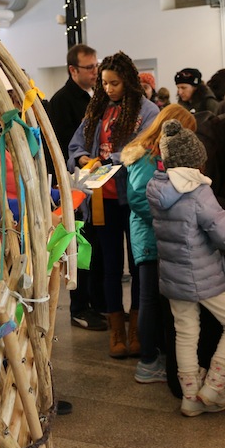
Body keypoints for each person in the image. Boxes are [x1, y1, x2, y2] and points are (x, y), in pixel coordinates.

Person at [146, 120, 225, 416]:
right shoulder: (199, 191)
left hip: (172, 275)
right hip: (203, 275)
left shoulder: (156, 189)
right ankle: (213, 388)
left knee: (185, 333)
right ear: (196, 161)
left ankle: (190, 399)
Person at [68, 51, 159, 358]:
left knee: (138, 263)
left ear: (128, 82)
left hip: (134, 199)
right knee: (109, 266)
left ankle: (137, 329)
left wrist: (112, 160)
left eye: (115, 83)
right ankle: (116, 331)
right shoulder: (97, 109)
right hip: (102, 199)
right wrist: (83, 157)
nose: (108, 89)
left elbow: (145, 146)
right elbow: (76, 144)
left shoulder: (147, 111)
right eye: (104, 83)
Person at [121, 104, 197, 386]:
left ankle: (159, 355)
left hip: (159, 235)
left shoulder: (158, 154)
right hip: (150, 238)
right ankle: (148, 362)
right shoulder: (146, 156)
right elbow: (139, 199)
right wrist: (168, 220)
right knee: (149, 299)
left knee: (157, 299)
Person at [48, 44, 106, 331]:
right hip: (74, 186)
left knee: (95, 246)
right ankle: (80, 308)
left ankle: (96, 303)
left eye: (96, 65)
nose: (95, 71)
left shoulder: (94, 96)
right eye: (89, 67)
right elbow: (60, 148)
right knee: (78, 245)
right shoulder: (62, 101)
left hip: (94, 182)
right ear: (73, 70)